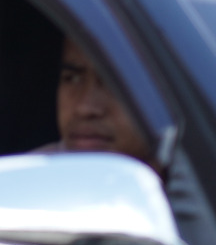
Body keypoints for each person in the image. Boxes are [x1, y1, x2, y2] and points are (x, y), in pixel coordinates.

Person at [37, 36, 155, 168]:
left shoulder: (179, 180)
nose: (85, 108)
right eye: (72, 78)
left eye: (116, 83)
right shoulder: (32, 178)